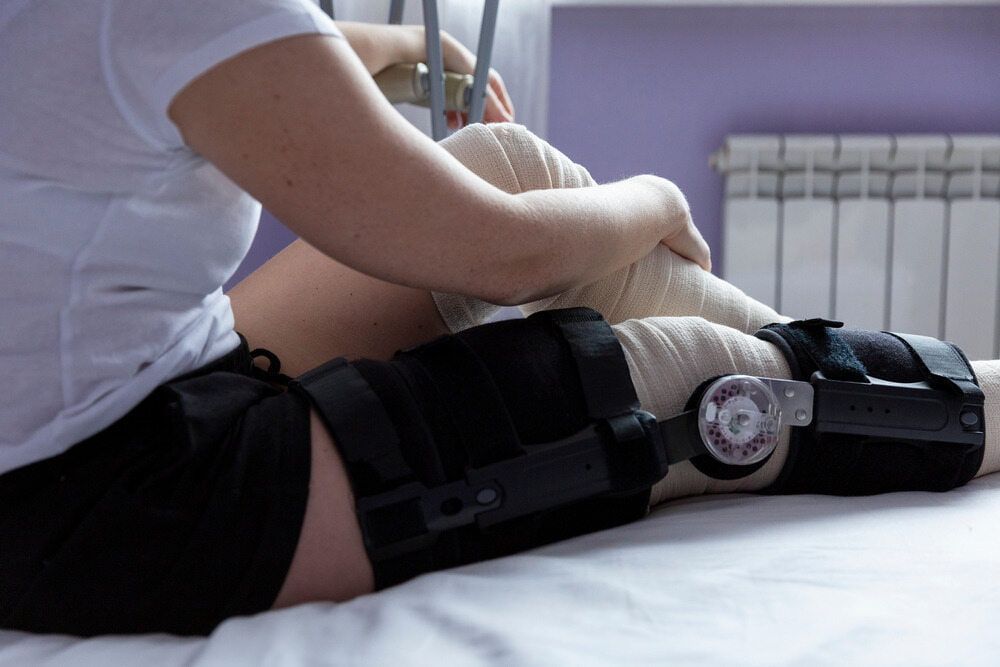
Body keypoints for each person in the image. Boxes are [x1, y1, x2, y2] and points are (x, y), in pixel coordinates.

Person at [1, 0, 996, 637]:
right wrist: (653, 196)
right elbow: (500, 254)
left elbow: (209, 53)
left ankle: (835, 385)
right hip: (101, 503)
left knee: (510, 164)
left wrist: (394, 45)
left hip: (104, 401)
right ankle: (894, 397)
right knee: (700, 385)